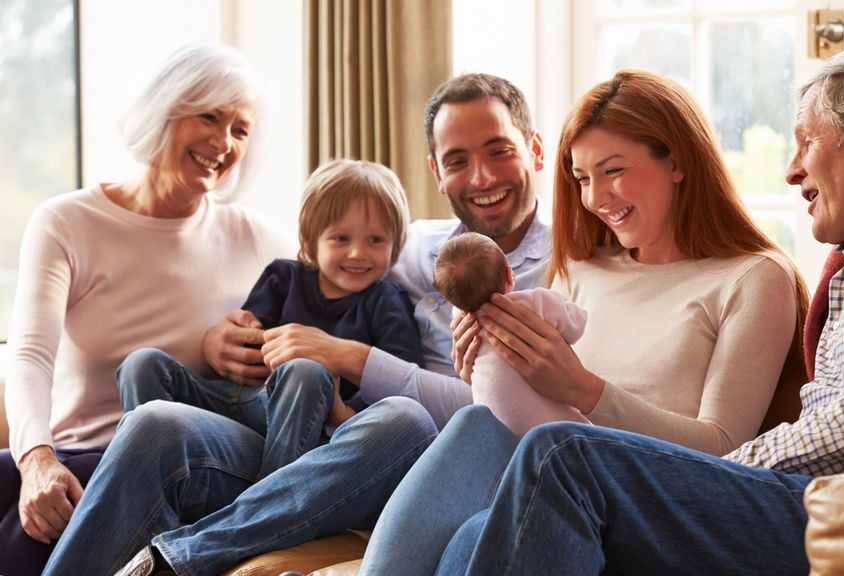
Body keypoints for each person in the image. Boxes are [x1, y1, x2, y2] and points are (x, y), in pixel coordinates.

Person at [391, 49, 844, 575]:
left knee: (558, 452)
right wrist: (493, 364)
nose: (791, 170)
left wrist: (738, 466)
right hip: (772, 489)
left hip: (821, 498)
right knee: (473, 464)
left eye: (806, 142)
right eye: (583, 178)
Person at [42, 72, 553, 576]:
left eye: (498, 150)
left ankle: (177, 557)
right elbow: (330, 262)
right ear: (436, 173)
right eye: (457, 160)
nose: (482, 177)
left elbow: (508, 416)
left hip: (388, 456)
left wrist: (343, 356)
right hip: (298, 454)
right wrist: (221, 337)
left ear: (534, 150)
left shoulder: (569, 267)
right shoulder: (414, 247)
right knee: (155, 422)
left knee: (403, 417)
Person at [359, 68, 811, 575]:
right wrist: (485, 362)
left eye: (613, 170)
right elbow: (532, 403)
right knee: (474, 426)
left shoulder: (753, 278)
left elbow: (726, 448)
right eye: (581, 178)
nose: (595, 198)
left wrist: (584, 388)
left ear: (678, 161)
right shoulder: (581, 267)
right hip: (551, 492)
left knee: (478, 522)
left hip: (658, 508)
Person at [0, 42, 294, 576]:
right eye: (209, 115)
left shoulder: (262, 241)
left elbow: (300, 364)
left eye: (240, 130)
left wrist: (240, 351)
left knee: (29, 531)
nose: (223, 142)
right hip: (72, 452)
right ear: (166, 106)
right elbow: (29, 355)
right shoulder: (66, 222)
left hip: (170, 468)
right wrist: (35, 458)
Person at [117, 159, 423, 481]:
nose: (358, 253)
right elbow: (246, 338)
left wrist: (348, 413)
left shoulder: (386, 301)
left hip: (299, 420)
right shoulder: (283, 276)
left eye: (376, 240)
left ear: (395, 245)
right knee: (142, 363)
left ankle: (267, 500)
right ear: (310, 242)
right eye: (341, 239)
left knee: (305, 370)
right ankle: (148, 478)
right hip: (239, 396)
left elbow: (397, 383)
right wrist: (239, 332)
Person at [434, 231, 589, 436]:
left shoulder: (462, 323)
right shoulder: (534, 303)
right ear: (509, 274)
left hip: (498, 436)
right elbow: (576, 327)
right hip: (556, 431)